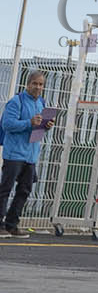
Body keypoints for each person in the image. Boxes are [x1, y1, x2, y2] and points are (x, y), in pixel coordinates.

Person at [0, 70, 54, 236]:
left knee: (24, 190)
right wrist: (28, 123)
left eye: (41, 84)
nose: (38, 87)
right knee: (6, 189)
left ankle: (11, 224)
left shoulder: (42, 103)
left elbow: (38, 128)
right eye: (35, 83)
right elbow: (7, 125)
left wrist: (47, 125)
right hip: (14, 153)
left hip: (31, 155)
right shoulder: (16, 102)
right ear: (28, 84)